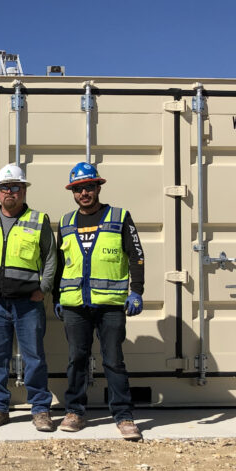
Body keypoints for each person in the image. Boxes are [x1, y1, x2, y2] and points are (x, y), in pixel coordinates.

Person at [53, 162, 145, 441]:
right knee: (76, 359)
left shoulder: (120, 216)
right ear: (73, 192)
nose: (84, 193)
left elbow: (136, 255)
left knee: (114, 361)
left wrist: (137, 290)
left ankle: (124, 415)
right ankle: (75, 412)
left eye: (89, 187)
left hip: (110, 305)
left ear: (98, 187)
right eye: (79, 189)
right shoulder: (66, 222)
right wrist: (58, 296)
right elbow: (59, 263)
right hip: (74, 305)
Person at [0, 163, 57, 431]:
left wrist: (44, 288)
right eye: (5, 188)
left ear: (24, 190)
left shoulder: (39, 220)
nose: (10, 192)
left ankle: (40, 409)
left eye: (15, 187)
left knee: (34, 357)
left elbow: (51, 258)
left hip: (28, 302)